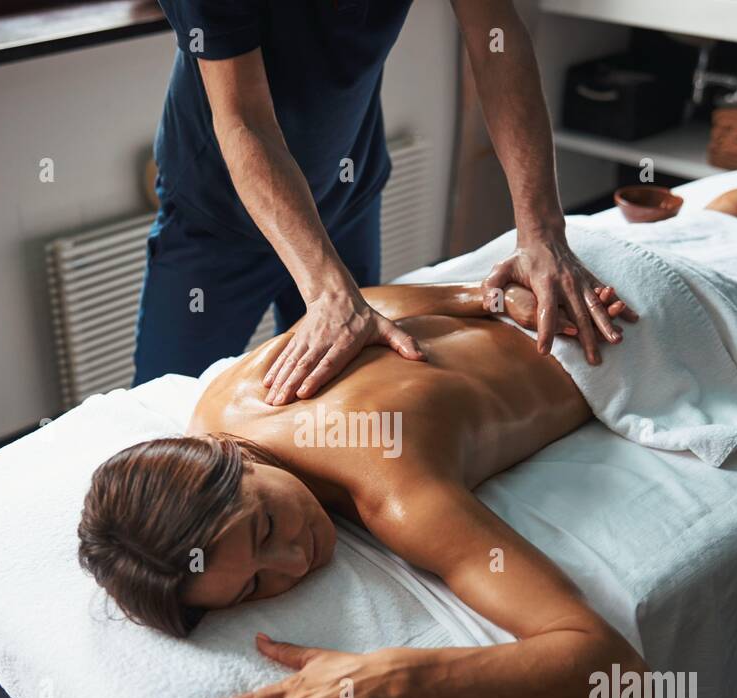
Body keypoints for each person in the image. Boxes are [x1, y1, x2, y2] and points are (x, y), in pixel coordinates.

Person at [83, 156, 737, 698]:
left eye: (265, 529)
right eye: (251, 591)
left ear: (229, 461)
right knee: (703, 233)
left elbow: (609, 675)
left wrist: (389, 676)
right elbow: (383, 306)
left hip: (618, 320)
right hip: (559, 274)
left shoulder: (392, 488)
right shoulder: (225, 400)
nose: (295, 563)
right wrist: (484, 295)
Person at [136, 0, 629, 401]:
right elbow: (246, 121)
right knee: (164, 412)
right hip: (216, 219)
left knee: (345, 389)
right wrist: (330, 293)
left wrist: (541, 233)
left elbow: (495, 37)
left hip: (346, 191)